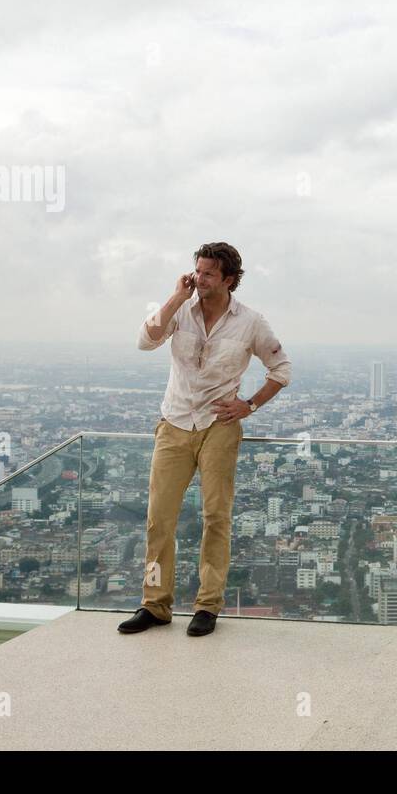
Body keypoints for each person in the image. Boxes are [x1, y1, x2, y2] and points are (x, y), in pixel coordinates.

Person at [118, 242, 291, 637]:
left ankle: (207, 606)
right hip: (174, 423)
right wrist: (178, 295)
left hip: (218, 426)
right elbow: (146, 341)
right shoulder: (181, 310)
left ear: (229, 279)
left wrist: (249, 405)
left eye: (209, 273)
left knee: (216, 518)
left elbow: (281, 369)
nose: (200, 278)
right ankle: (154, 604)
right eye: (197, 270)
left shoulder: (250, 322)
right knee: (159, 519)